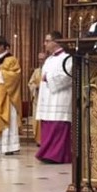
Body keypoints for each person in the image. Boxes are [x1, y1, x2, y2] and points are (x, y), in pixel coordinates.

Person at [35, 31, 73, 164]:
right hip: (48, 98)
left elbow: (68, 76)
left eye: (47, 40)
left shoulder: (68, 58)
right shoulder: (49, 59)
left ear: (56, 42)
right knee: (48, 126)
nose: (45, 43)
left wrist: (48, 78)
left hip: (60, 98)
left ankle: (56, 155)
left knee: (58, 127)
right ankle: (47, 153)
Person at [27, 52, 47, 146]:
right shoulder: (36, 71)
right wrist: (36, 87)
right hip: (38, 99)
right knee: (37, 119)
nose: (41, 61)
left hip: (47, 100)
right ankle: (38, 139)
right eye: (39, 59)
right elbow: (30, 83)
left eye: (42, 59)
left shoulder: (49, 70)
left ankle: (45, 139)